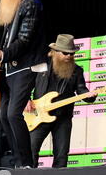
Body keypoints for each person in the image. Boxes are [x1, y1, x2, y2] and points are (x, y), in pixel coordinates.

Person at [0, 0, 47, 168]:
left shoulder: (30, 4)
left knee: (13, 113)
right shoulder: (12, 11)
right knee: (4, 115)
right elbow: (8, 45)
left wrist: (3, 53)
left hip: (26, 67)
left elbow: (25, 39)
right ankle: (20, 163)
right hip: (11, 68)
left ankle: (28, 163)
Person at [26, 34, 97, 168]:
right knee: (31, 149)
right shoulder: (41, 66)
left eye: (71, 53)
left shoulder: (76, 70)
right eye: (65, 53)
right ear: (55, 52)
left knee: (61, 154)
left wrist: (90, 95)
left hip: (63, 116)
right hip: (39, 114)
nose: (69, 56)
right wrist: (26, 100)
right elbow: (25, 84)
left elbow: (81, 90)